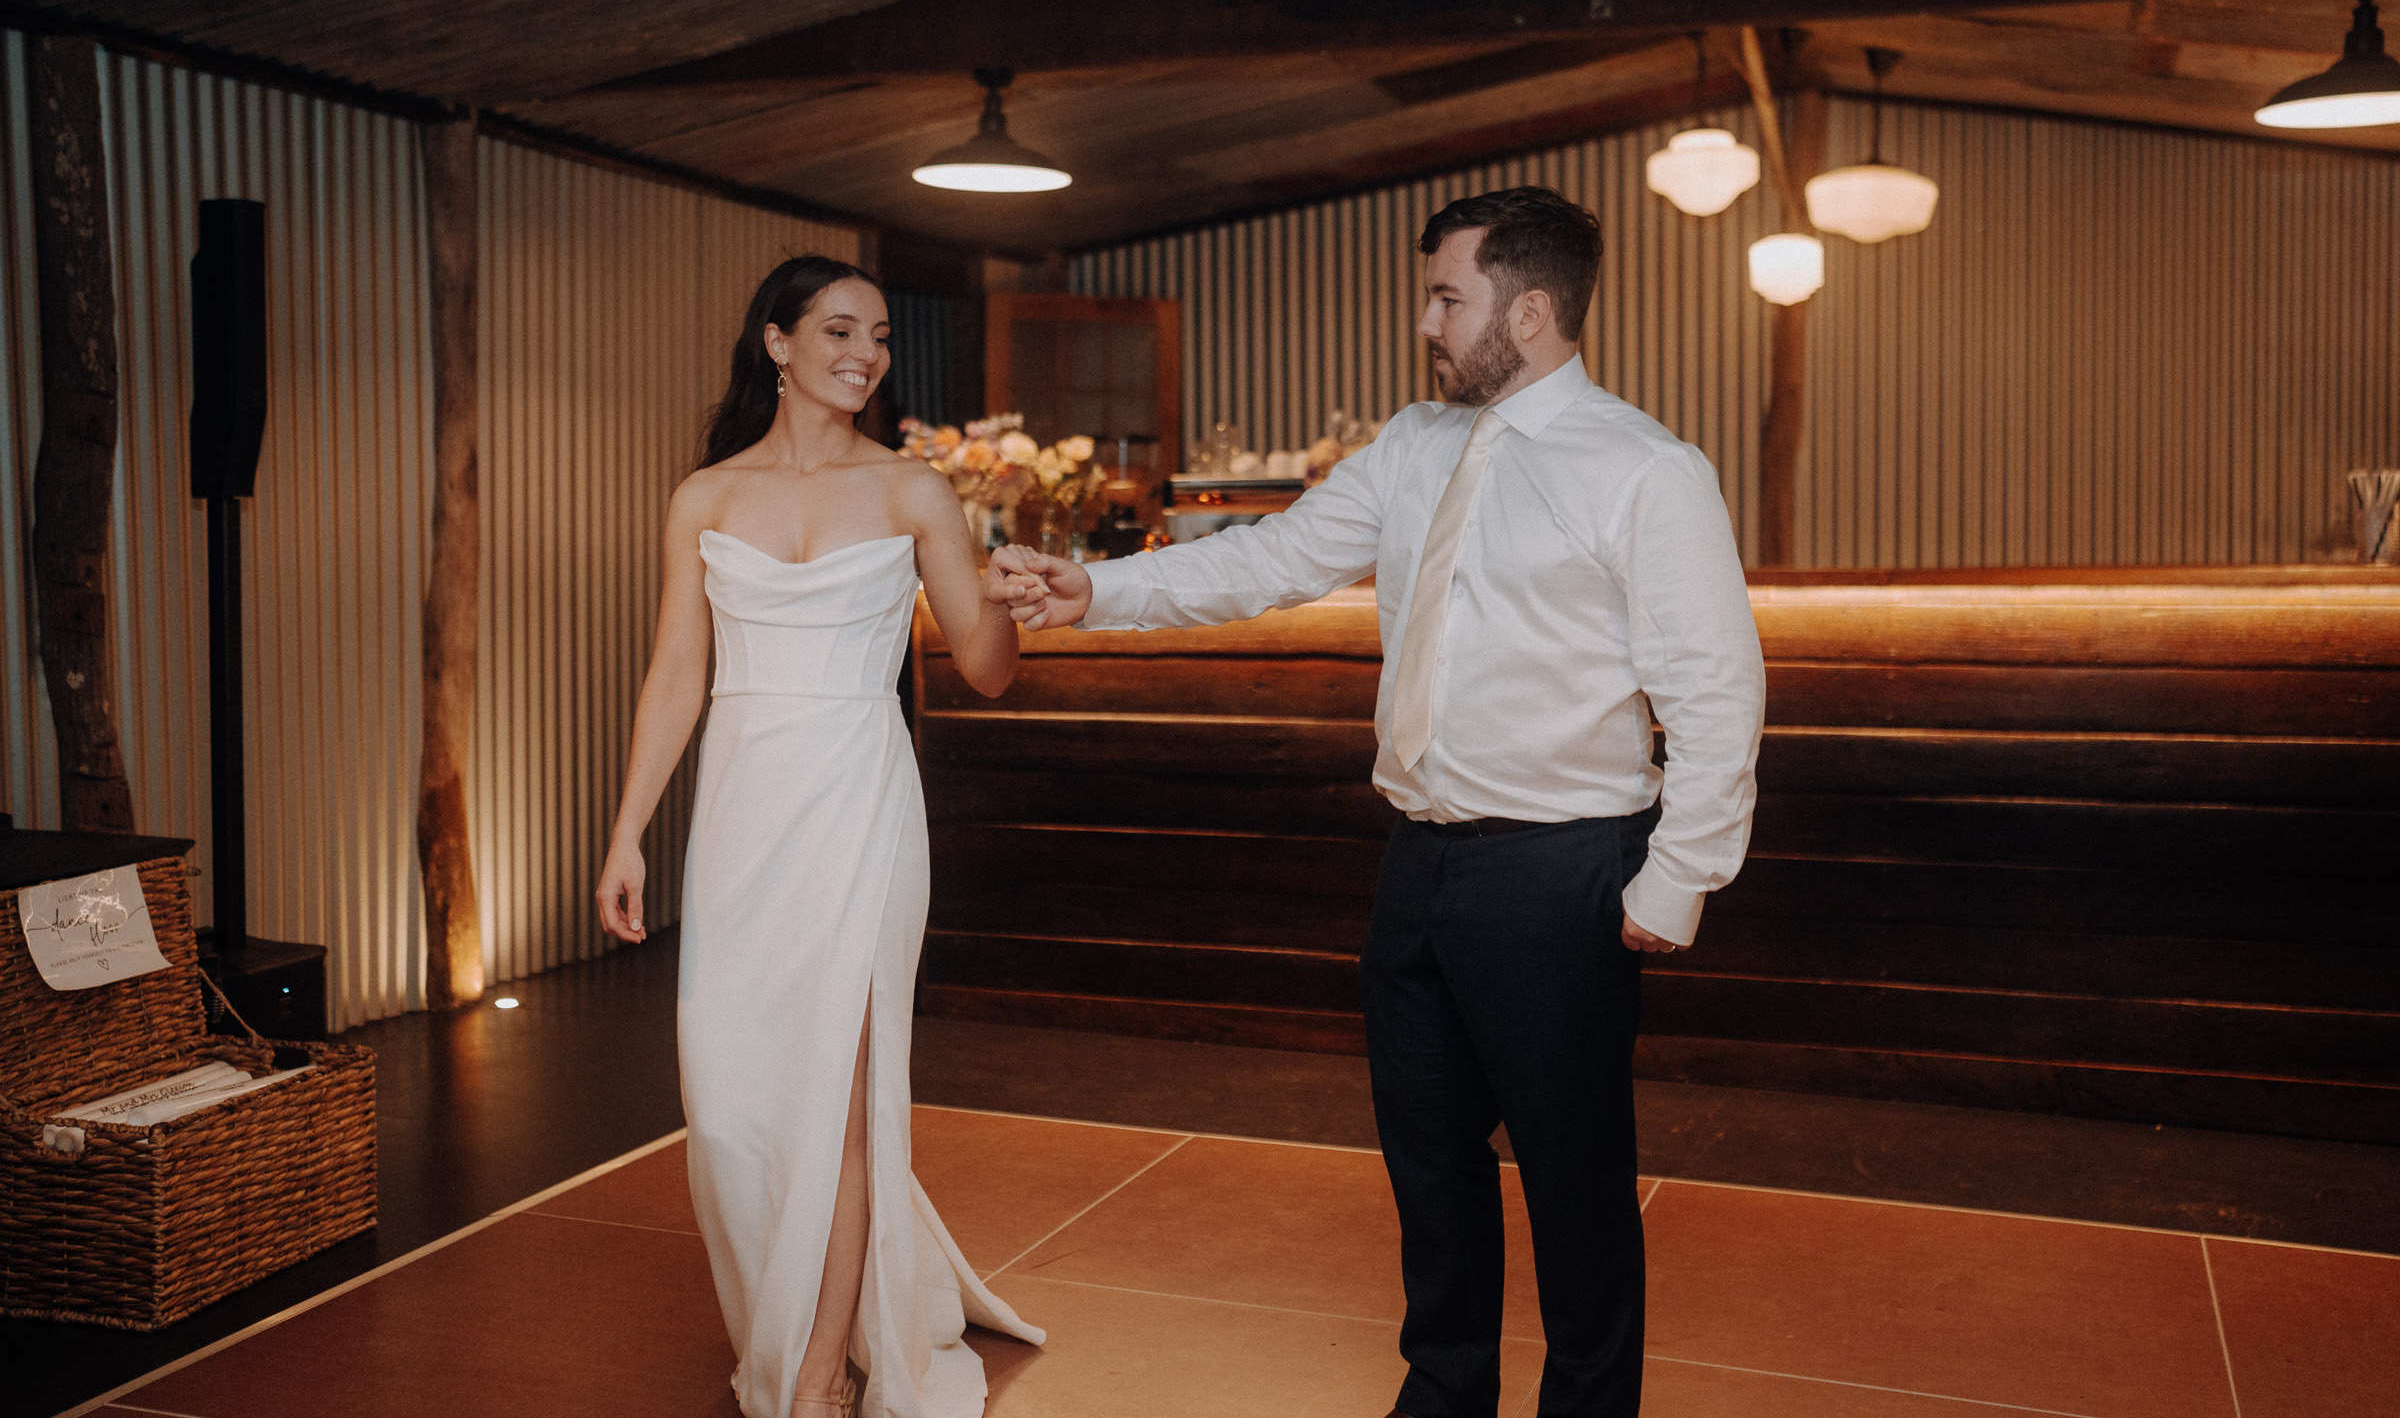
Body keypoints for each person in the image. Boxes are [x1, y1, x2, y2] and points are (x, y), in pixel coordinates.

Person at [996, 188, 1765, 1418]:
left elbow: (1718, 689)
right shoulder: (1412, 443)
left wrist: (1677, 879)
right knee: (1430, 1163)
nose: (1426, 322)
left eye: (1447, 297)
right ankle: (1444, 1395)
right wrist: (1094, 590)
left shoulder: (1648, 470)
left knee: (1574, 1181)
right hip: (1420, 866)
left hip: (1564, 871)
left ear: (1530, 308)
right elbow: (1272, 557)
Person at [596, 255, 1045, 1418]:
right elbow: (677, 674)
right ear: (776, 343)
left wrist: (1005, 600)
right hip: (744, 811)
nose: (866, 353)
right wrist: (628, 831)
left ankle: (815, 1372)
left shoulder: (913, 492)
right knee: (733, 1102)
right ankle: (801, 1315)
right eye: (840, 329)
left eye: (881, 335)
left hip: (859, 800)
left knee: (843, 1094)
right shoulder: (704, 497)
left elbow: (986, 673)